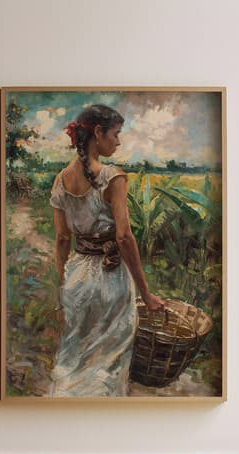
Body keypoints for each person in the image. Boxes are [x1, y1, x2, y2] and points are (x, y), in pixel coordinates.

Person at [48, 104, 164, 397]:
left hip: (77, 276)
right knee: (109, 359)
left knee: (76, 355)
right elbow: (124, 238)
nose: (119, 141)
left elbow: (62, 239)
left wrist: (63, 282)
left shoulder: (61, 179)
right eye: (116, 133)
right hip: (109, 278)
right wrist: (146, 293)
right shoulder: (113, 177)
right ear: (98, 133)